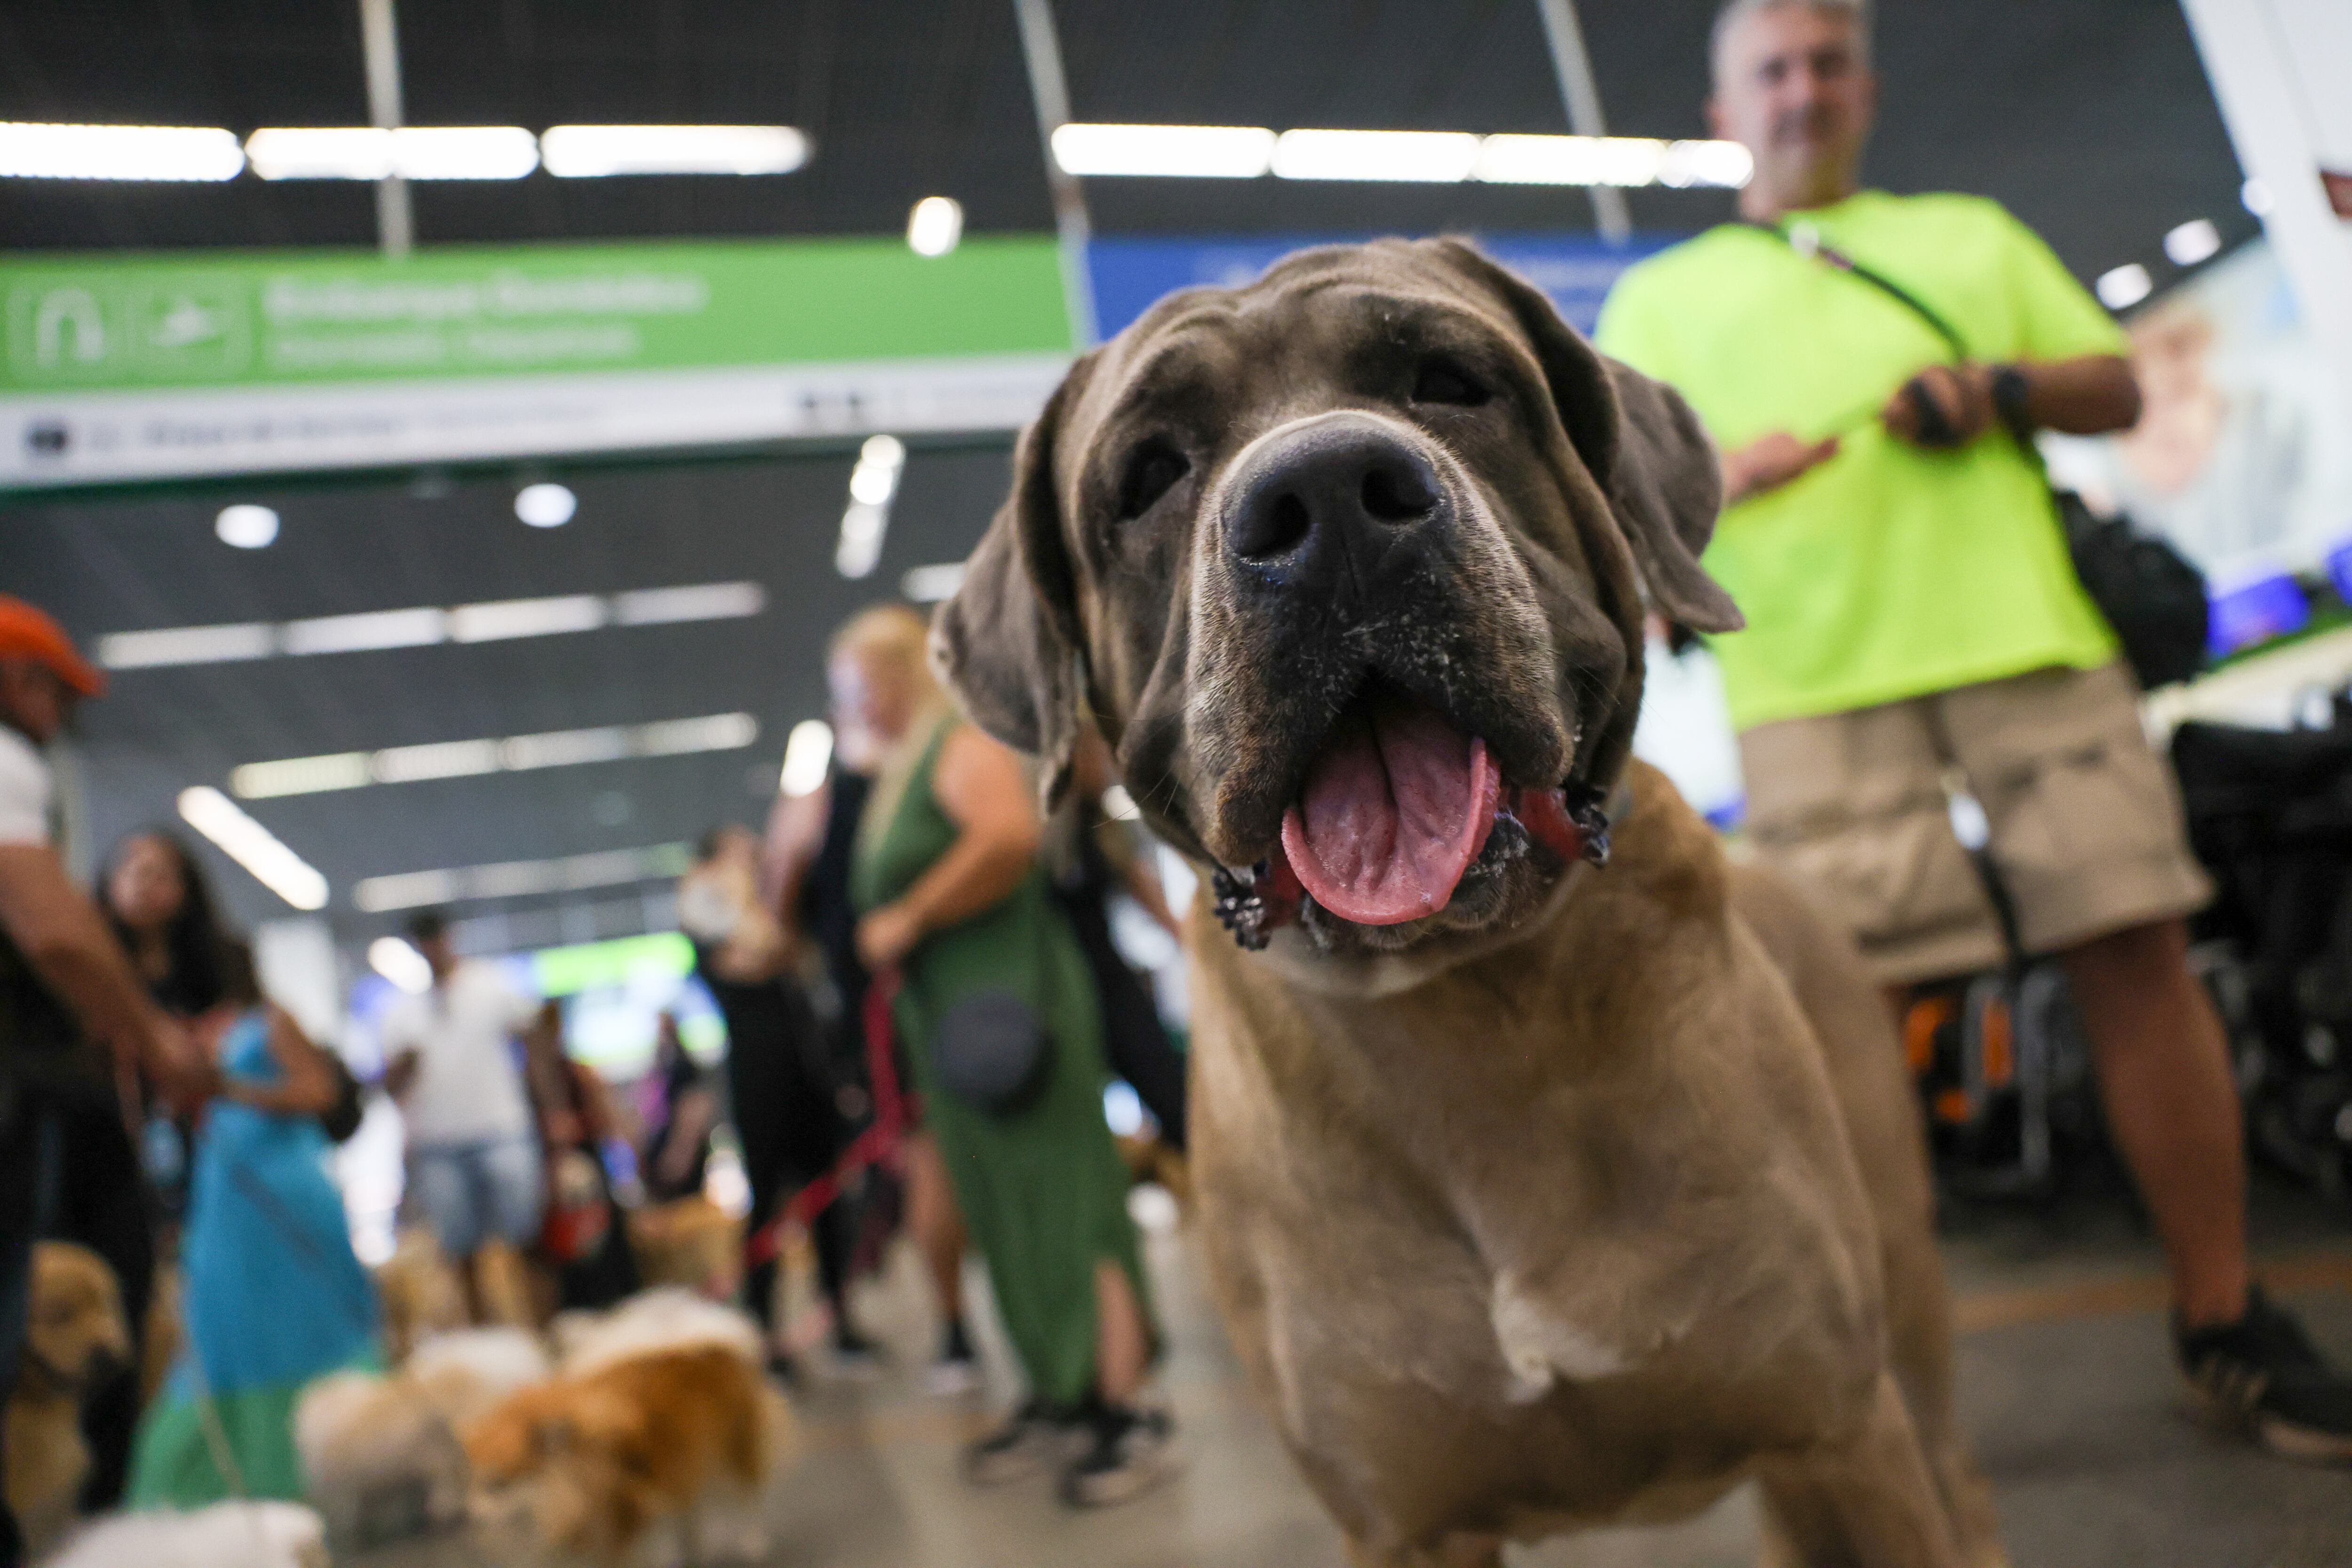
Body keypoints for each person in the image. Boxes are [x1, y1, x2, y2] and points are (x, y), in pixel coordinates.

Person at [1595, 0, 2352, 1457]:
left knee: (2138, 955)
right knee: (1845, 1025)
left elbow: (2111, 383)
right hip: (1812, 689)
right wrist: (1723, 478)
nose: (1804, 90)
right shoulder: (1659, 308)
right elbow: (1624, 521)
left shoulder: (1964, 236)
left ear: (1865, 91)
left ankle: (2223, 1315)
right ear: (1722, 115)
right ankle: (1875, 1378)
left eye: (1827, 63)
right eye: (1772, 70)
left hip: (2027, 647)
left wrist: (1993, 389)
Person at [835, 604, 1171, 1506]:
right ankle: (1063, 1387)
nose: (853, 707)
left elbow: (1010, 838)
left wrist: (910, 916)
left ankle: (1126, 1405)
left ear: (899, 674)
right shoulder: (898, 766)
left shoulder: (957, 741)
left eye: (858, 688)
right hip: (953, 1021)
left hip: (1015, 1001)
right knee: (1005, 1208)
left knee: (1069, 1199)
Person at [0, 597, 204, 1567]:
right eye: (54, 691)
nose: (59, 715)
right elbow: (53, 927)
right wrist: (154, 1038)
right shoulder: (6, 759)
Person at [769, 720, 981, 1393]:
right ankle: (958, 1330)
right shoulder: (850, 795)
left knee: (937, 1166)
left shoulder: (900, 775)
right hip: (904, 1012)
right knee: (930, 1166)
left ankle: (961, 1333)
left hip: (920, 1006)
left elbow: (785, 917)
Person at [129, 942, 376, 1507]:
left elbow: (320, 1092)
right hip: (226, 1195)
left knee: (305, 1322)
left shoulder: (270, 1021)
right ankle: (238, 1472)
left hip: (281, 1189)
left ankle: (334, 1459)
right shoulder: (190, 1030)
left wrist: (226, 1087)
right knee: (224, 1325)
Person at [678, 826, 876, 1375]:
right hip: (757, 1082)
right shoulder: (711, 917)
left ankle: (839, 1319)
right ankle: (763, 1331)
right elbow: (754, 957)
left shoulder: (776, 910)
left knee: (829, 1202)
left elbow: (791, 945)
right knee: (764, 1205)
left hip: (808, 1077)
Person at [379, 910, 543, 1325]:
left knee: (525, 1241)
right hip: (438, 1142)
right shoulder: (403, 1011)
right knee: (459, 1250)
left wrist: (553, 1109)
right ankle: (485, 1332)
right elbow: (389, 1086)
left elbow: (537, 1043)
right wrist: (402, 1069)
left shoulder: (491, 985)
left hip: (500, 1129)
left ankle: (536, 1324)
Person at [519, 1000, 639, 1313]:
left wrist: (577, 1128)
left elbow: (607, 1119)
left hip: (587, 1164)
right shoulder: (527, 1080)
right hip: (553, 1173)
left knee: (602, 1238)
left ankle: (615, 1294)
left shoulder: (576, 1072)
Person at [636, 1012, 718, 1204]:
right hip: (661, 1161)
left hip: (678, 1164)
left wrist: (680, 1154)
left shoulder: (684, 1067)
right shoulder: (662, 1066)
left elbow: (695, 1109)